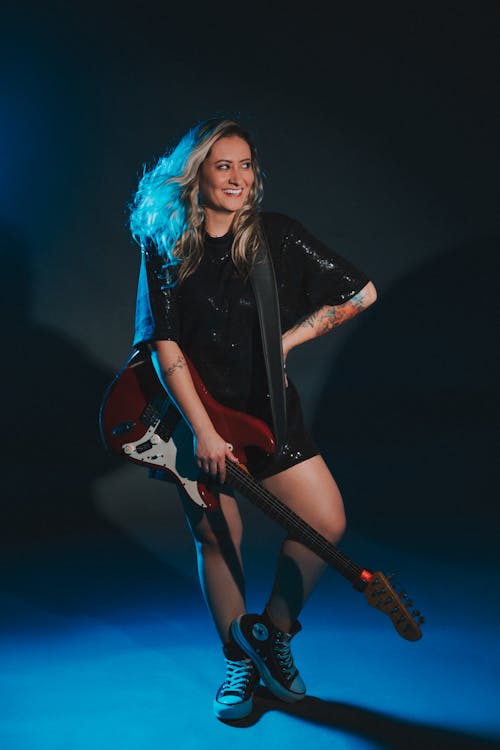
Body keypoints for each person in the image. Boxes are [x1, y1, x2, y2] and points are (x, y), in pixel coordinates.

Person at [129, 117, 377, 720]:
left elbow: (360, 292)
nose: (238, 177)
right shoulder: (167, 244)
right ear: (197, 174)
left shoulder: (278, 238)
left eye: (245, 165)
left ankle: (270, 636)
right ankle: (239, 666)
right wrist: (205, 432)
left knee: (325, 521)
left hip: (267, 412)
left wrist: (287, 343)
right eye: (223, 165)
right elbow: (164, 347)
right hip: (194, 419)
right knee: (218, 538)